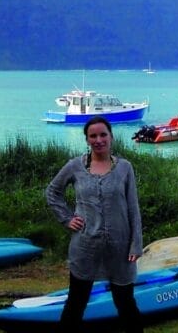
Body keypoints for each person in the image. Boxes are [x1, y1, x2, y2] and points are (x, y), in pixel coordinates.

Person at [45, 115, 144, 333]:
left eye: (103, 134)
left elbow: (133, 208)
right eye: (93, 136)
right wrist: (67, 218)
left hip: (120, 248)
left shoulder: (125, 168)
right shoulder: (75, 166)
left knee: (126, 303)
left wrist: (136, 244)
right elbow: (53, 192)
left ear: (111, 137)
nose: (98, 140)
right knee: (76, 303)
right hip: (85, 247)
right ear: (87, 140)